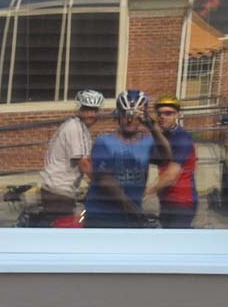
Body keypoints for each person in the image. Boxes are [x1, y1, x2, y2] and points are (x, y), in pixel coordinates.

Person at [84, 90, 171, 228]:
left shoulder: (147, 142)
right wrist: (133, 209)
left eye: (135, 115)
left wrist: (152, 126)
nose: (130, 120)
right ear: (118, 116)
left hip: (131, 217)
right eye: (125, 115)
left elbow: (167, 156)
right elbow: (105, 180)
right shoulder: (104, 142)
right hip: (102, 215)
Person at [39, 89, 104, 220]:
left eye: (94, 110)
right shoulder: (74, 128)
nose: (91, 114)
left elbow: (88, 160)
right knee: (69, 226)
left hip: (60, 190)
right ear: (79, 109)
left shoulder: (82, 129)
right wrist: (104, 186)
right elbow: (84, 164)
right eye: (87, 109)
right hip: (58, 191)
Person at [145, 95, 198, 228]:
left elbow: (170, 177)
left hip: (182, 202)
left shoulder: (182, 138)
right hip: (166, 201)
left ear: (177, 115)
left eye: (168, 113)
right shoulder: (162, 138)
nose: (163, 117)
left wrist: (144, 194)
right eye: (160, 113)